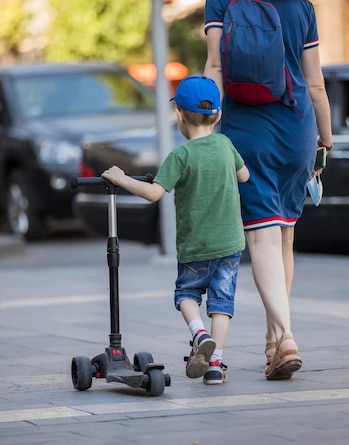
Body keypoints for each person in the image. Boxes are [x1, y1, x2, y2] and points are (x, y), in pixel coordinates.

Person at [202, 0, 333, 380]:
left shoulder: (221, 2)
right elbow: (316, 83)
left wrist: (205, 133)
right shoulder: (301, 6)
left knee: (262, 239)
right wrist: (325, 137)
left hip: (246, 130)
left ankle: (286, 336)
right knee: (284, 234)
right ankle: (273, 341)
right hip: (297, 128)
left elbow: (214, 67)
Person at [102, 75, 249, 385]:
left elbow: (155, 192)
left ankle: (199, 333)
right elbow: (245, 175)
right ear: (218, 115)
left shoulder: (180, 156)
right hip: (230, 244)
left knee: (187, 293)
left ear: (179, 116)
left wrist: (121, 177)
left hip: (196, 246)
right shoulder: (226, 144)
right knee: (222, 304)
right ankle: (215, 366)